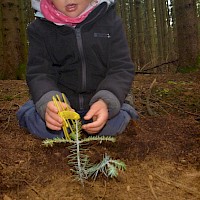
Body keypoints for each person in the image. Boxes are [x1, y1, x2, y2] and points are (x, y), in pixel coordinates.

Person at [16, 0, 138, 139]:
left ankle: (118, 111)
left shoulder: (111, 23)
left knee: (113, 127)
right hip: (62, 106)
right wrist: (50, 102)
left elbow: (121, 68)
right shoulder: (39, 29)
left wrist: (106, 101)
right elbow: (39, 73)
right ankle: (33, 113)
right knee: (47, 128)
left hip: (101, 102)